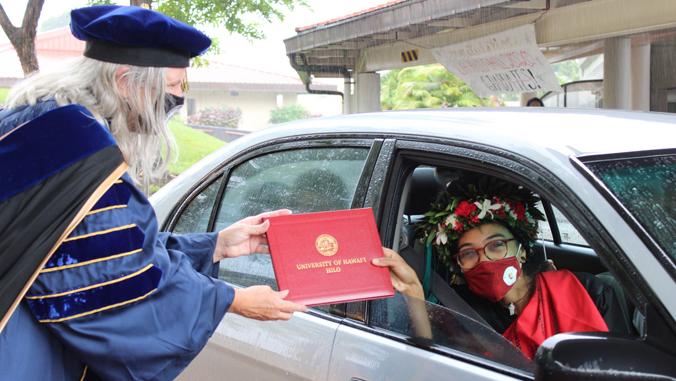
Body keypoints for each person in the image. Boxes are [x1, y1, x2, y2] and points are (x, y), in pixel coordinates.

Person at [0, 5, 306, 380]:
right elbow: (112, 286)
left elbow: (97, 245)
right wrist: (232, 299)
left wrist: (216, 245)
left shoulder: (34, 120)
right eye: (175, 86)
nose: (178, 98)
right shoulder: (81, 152)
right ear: (127, 82)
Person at [374, 173, 631, 360]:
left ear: (522, 250)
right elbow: (430, 363)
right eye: (468, 253)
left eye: (496, 245)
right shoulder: (459, 311)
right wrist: (415, 294)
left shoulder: (590, 291)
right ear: (460, 266)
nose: (484, 260)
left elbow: (625, 364)